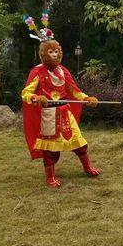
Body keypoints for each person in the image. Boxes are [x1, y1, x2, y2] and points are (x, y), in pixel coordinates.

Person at [21, 14, 100, 188]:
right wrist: (36, 97)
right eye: (50, 51)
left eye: (56, 51)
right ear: (43, 53)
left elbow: (75, 91)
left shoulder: (63, 71)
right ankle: (50, 177)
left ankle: (87, 167)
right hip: (48, 114)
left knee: (80, 142)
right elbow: (26, 93)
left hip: (65, 112)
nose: (54, 54)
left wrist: (87, 99)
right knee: (50, 150)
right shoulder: (37, 72)